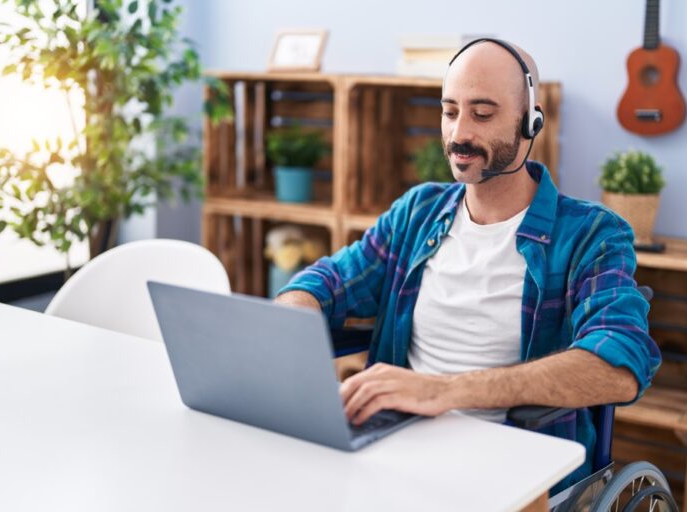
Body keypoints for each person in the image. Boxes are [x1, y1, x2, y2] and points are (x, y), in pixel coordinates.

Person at [275, 39, 661, 491]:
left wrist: (444, 391)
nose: (459, 133)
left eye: (482, 114)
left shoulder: (591, 234)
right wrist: (295, 312)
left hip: (510, 468)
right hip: (392, 450)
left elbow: (619, 365)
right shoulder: (417, 212)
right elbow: (329, 281)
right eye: (450, 110)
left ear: (529, 121)